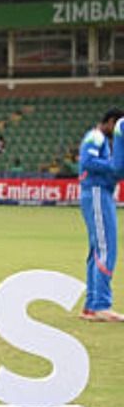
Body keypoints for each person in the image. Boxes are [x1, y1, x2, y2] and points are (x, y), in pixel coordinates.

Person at [78, 108, 124, 321]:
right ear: (111, 122)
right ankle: (101, 305)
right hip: (97, 191)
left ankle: (91, 306)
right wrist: (113, 166)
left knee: (97, 249)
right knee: (106, 248)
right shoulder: (96, 136)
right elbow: (87, 161)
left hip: (99, 192)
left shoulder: (101, 140)